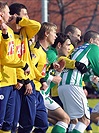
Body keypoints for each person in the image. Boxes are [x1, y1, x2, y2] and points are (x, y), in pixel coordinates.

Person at [9, 3, 48, 133]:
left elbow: (36, 25)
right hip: (16, 82)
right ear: (14, 15)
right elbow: (12, 60)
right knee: (13, 122)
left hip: (27, 81)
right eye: (24, 14)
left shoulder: (25, 31)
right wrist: (23, 80)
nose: (28, 17)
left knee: (29, 122)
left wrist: (20, 20)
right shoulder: (8, 34)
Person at [31, 24, 70, 133]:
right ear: (59, 45)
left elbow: (47, 80)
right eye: (67, 45)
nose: (69, 48)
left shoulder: (48, 54)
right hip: (39, 93)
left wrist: (57, 72)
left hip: (42, 93)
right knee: (65, 119)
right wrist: (52, 77)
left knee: (46, 124)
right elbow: (32, 69)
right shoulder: (51, 54)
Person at [0, 2, 30, 133]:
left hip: (10, 82)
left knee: (9, 123)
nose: (10, 15)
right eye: (8, 13)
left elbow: (10, 55)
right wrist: (22, 64)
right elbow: (5, 59)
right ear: (1, 14)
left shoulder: (9, 32)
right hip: (1, 82)